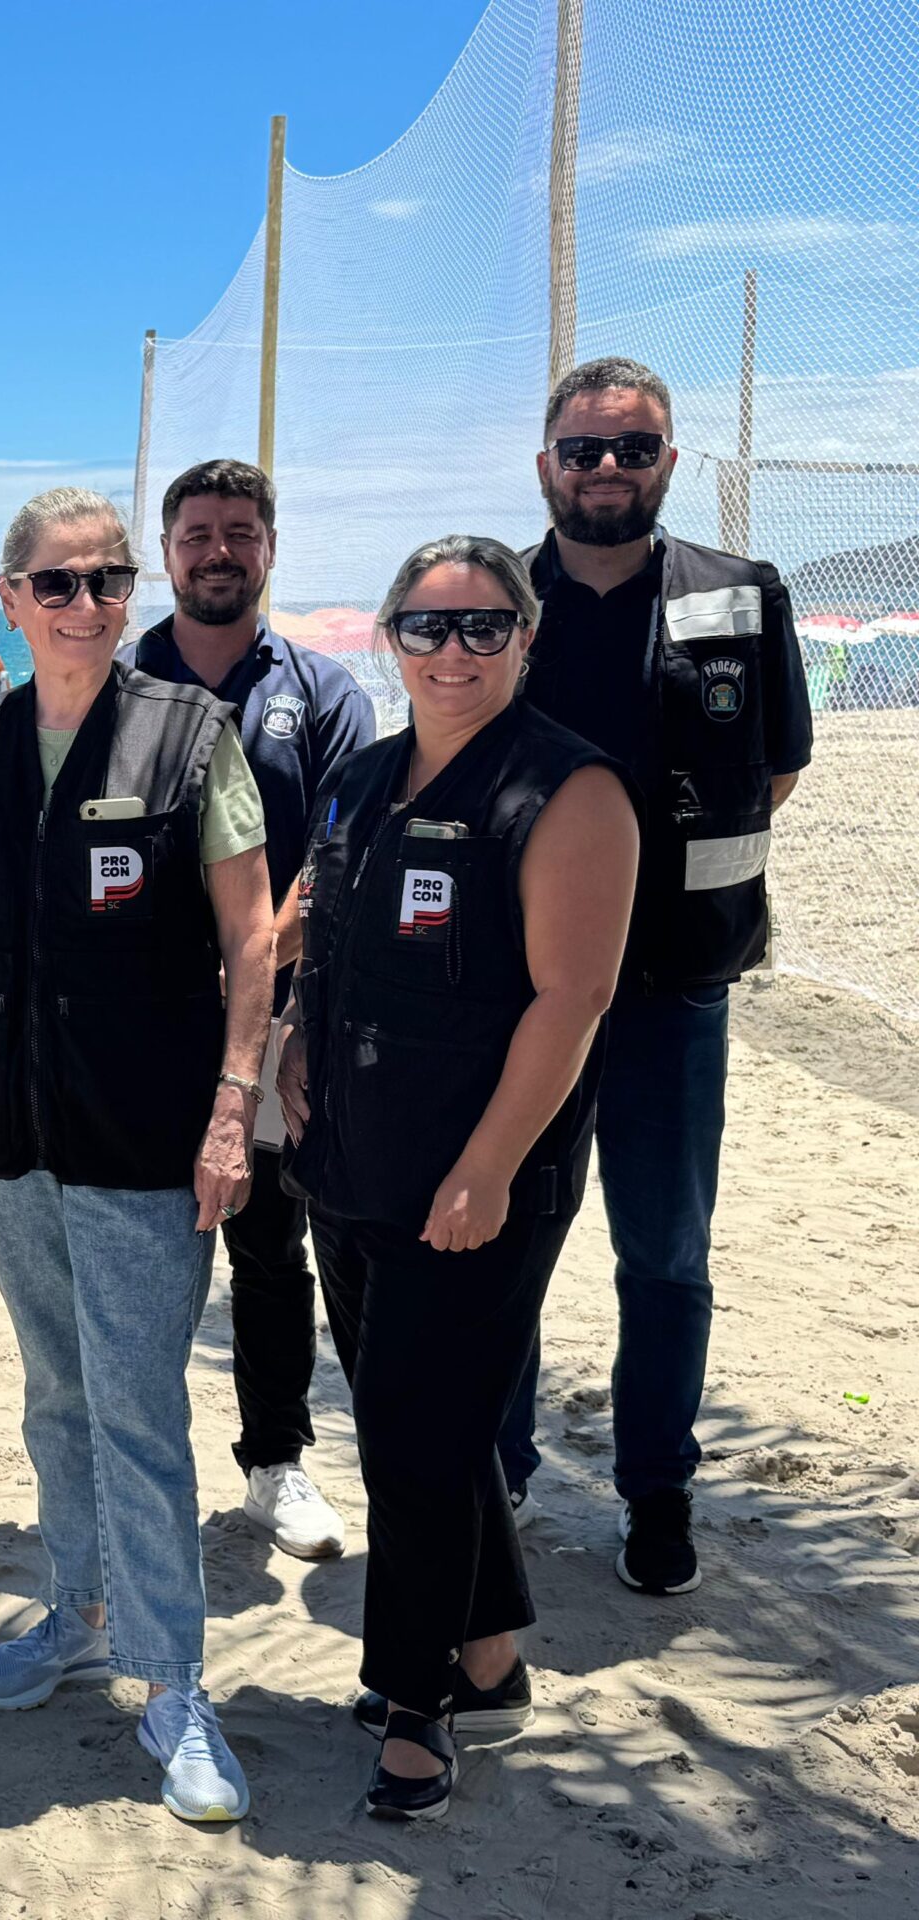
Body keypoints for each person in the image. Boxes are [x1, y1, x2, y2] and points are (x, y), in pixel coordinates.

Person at [0, 486, 271, 1824]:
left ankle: (172, 1686)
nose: (87, 603)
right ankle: (79, 1611)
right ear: (11, 600)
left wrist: (231, 1108)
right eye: (59, 583)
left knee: (141, 1410)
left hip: (141, 1137)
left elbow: (253, 937)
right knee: (54, 1395)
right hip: (4, 1144)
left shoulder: (189, 735)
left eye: (107, 581)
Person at [278, 534, 639, 1818]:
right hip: (352, 1156)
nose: (452, 651)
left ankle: (416, 1699)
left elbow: (572, 996)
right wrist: (287, 1060)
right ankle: (488, 1654)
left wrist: (487, 1167)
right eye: (426, 628)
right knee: (402, 1416)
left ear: (523, 640)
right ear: (390, 639)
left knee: (422, 1441)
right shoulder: (362, 778)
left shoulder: (567, 788)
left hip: (478, 1172)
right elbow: (315, 943)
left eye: (483, 626)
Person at [501, 358, 815, 1594]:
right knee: (504, 1245)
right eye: (582, 450)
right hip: (517, 1001)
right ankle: (499, 1473)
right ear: (545, 467)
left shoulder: (739, 595)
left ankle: (656, 1491)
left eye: (633, 448)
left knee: (666, 1256)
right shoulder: (498, 605)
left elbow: (775, 767)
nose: (606, 470)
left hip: (675, 992)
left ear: (669, 463)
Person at [124, 459, 375, 1560]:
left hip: (273, 1026)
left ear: (268, 547)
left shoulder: (319, 693)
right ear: (165, 549)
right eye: (195, 533)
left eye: (238, 531)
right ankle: (133, 1468)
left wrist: (262, 961)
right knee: (135, 1249)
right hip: (135, 1020)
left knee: (271, 1246)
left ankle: (275, 1461)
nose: (216, 550)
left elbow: (344, 847)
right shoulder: (121, 675)